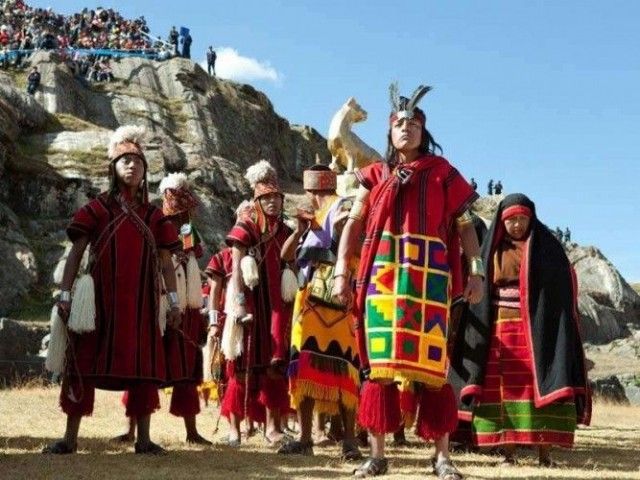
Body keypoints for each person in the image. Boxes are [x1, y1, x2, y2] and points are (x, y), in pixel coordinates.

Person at [332, 85, 484, 479]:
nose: (407, 129)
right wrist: (340, 273)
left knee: (433, 371)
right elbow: (353, 223)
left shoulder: (443, 173)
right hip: (382, 277)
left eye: (414, 124)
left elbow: (466, 226)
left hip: (429, 280)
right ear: (390, 132)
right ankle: (378, 455)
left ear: (423, 131)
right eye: (400, 123)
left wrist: (477, 270)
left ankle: (442, 457)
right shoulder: (375, 175)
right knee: (379, 369)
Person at [43, 125, 181, 455]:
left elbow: (165, 263)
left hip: (142, 305)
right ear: (113, 168)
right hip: (97, 302)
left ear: (145, 170)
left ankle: (143, 439)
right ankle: (70, 438)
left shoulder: (155, 216)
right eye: (125, 160)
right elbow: (76, 253)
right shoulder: (96, 209)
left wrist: (173, 301)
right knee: (82, 362)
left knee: (144, 368)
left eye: (138, 161)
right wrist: (65, 295)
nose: (132, 166)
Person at [449, 193, 591, 466]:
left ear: (531, 218)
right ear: (502, 221)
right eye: (510, 220)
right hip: (501, 332)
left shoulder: (547, 251)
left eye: (521, 219)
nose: (516, 225)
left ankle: (545, 455)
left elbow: (559, 295)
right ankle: (509, 454)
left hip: (537, 334)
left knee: (540, 390)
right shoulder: (492, 251)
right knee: (504, 394)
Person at [277, 164, 361, 460]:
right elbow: (286, 257)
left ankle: (349, 440)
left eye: (310, 191)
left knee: (344, 363)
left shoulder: (343, 207)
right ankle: (305, 438)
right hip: (308, 299)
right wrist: (301, 232)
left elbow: (352, 247)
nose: (310, 196)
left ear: (313, 190)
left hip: (336, 294)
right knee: (304, 364)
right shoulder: (310, 219)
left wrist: (331, 235)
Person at [220, 160, 293, 446]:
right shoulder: (246, 227)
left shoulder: (286, 232)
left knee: (275, 365)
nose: (273, 202)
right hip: (249, 304)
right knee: (241, 366)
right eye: (266, 198)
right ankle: (235, 429)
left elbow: (293, 263)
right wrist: (238, 304)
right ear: (257, 200)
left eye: (277, 197)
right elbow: (237, 268)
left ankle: (273, 427)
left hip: (277, 307)